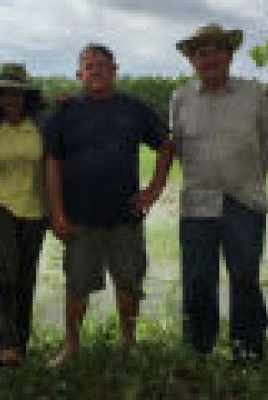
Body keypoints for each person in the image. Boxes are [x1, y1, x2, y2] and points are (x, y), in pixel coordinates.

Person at [44, 43, 174, 367]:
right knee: (76, 286)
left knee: (129, 283)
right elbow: (52, 164)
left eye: (102, 65)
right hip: (79, 219)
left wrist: (155, 188)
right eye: (89, 66)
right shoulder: (64, 112)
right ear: (79, 74)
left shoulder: (134, 108)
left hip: (124, 218)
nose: (96, 70)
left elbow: (166, 145)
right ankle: (71, 345)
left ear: (115, 70)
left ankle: (128, 342)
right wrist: (57, 213)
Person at [172, 24, 268, 362]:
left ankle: (247, 349)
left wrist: (248, 179)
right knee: (198, 279)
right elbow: (175, 146)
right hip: (197, 203)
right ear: (192, 61)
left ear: (230, 54)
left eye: (216, 50)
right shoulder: (181, 98)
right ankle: (198, 348)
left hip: (244, 200)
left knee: (245, 275)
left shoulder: (253, 94)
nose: (209, 58)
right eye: (201, 53)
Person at [0, 62, 47, 367]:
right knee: (5, 267)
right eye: (4, 95)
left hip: (35, 208)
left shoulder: (43, 125)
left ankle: (20, 343)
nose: (10, 101)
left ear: (27, 97)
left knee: (25, 276)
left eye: (17, 95)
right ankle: (4, 345)